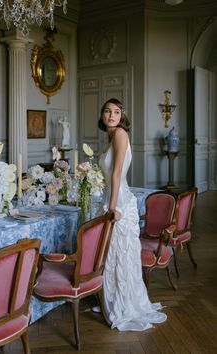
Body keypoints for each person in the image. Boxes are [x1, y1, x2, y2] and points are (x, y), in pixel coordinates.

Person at [97, 98, 167, 331]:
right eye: (107, 111)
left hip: (119, 204)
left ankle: (125, 303)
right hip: (110, 197)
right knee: (111, 254)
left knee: (121, 254)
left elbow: (117, 173)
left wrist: (112, 207)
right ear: (102, 115)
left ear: (122, 116)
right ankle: (113, 298)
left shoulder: (119, 134)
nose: (111, 115)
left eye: (116, 112)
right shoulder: (110, 137)